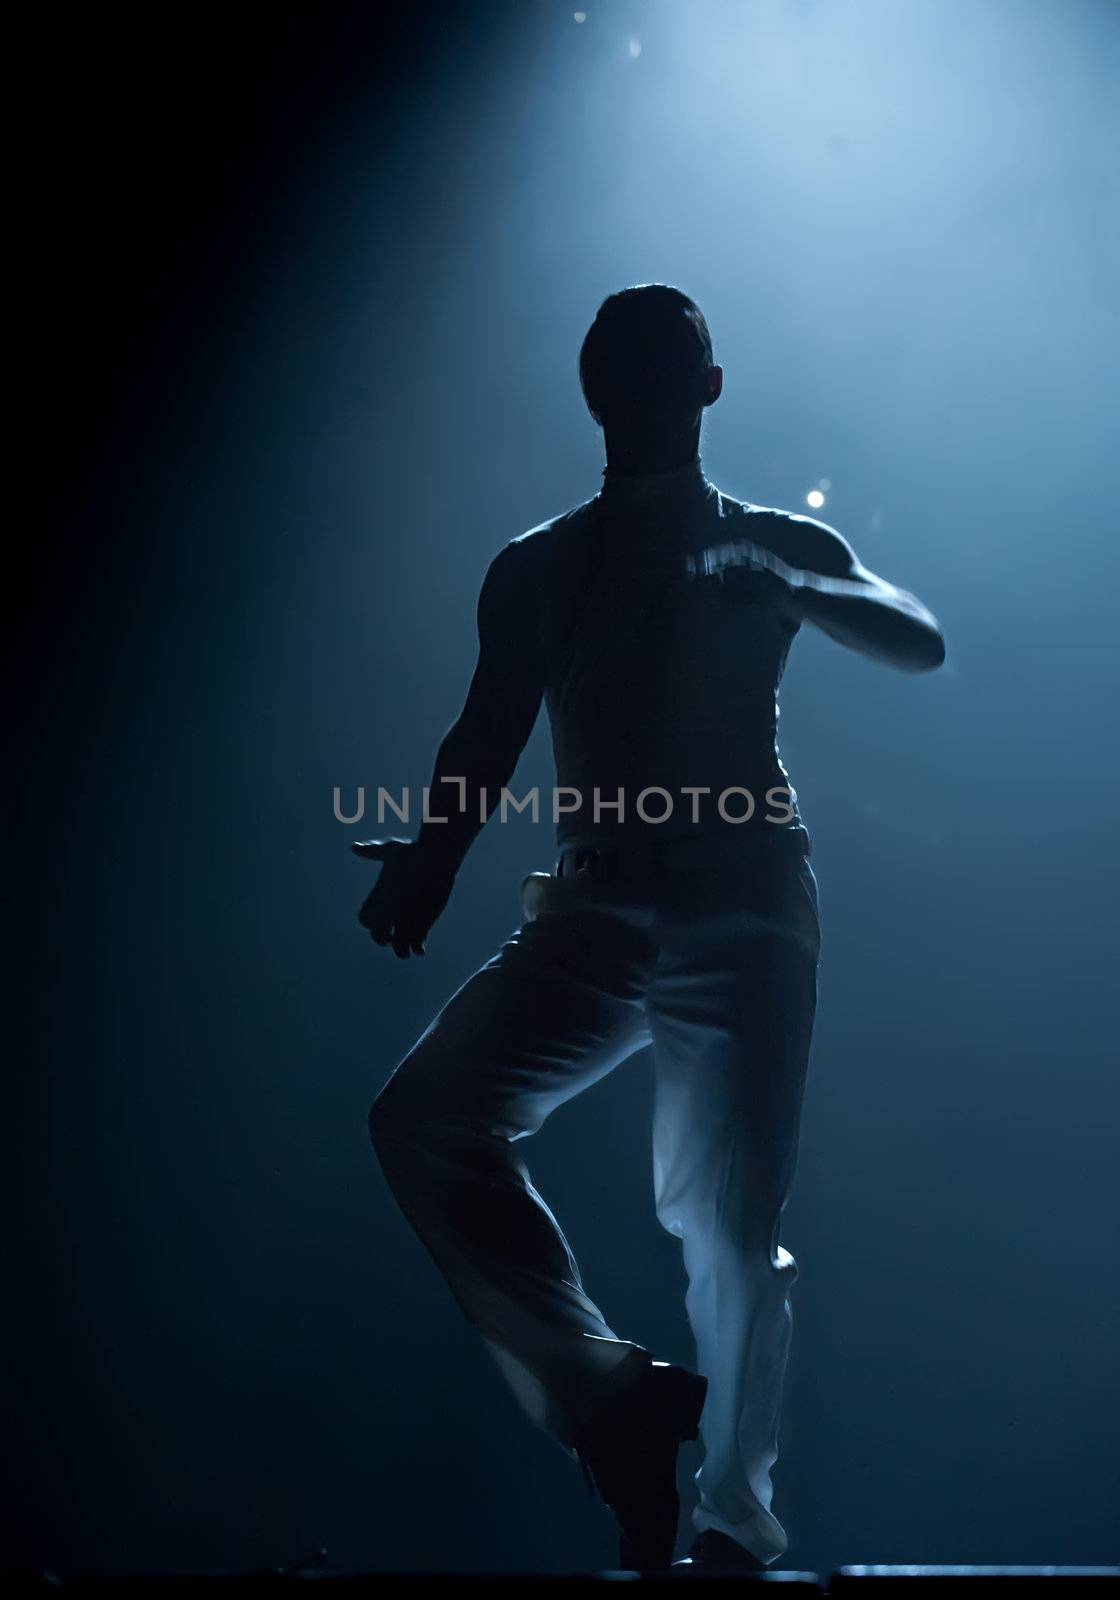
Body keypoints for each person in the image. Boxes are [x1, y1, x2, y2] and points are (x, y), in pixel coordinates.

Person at [355, 285, 945, 1572]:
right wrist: (433, 858)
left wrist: (792, 577)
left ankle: (731, 1526)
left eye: (660, 369)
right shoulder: (539, 564)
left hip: (742, 898)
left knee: (728, 1220)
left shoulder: (767, 539)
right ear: (600, 394)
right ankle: (609, 1393)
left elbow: (916, 640)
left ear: (704, 393)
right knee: (423, 1118)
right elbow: (486, 725)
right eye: (625, 370)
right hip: (597, 901)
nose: (643, 389)